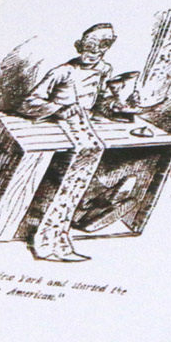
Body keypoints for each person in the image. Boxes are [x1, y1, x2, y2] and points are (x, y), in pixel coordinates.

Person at [19, 23, 120, 261]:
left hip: (85, 122)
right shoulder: (62, 72)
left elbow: (101, 98)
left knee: (86, 164)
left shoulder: (105, 70)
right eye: (87, 48)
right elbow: (29, 103)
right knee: (67, 175)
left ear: (105, 50)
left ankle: (64, 229)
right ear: (79, 46)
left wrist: (114, 105)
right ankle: (47, 239)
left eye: (98, 49)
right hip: (57, 122)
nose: (91, 54)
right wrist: (58, 108)